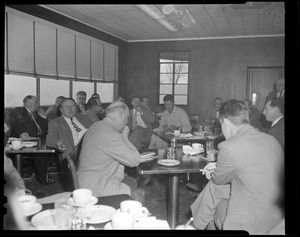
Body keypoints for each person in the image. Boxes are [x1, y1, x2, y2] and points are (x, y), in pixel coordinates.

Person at [191, 99, 284, 234]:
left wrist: (215, 171)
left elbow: (218, 180)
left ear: (226, 123)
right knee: (213, 191)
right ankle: (196, 224)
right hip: (278, 218)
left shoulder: (229, 146)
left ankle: (196, 224)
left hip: (251, 222)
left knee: (212, 193)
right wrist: (219, 166)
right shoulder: (271, 140)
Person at [77, 101, 141, 197]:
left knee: (131, 181)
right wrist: (125, 138)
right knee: (139, 194)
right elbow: (135, 161)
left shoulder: (95, 125)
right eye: (127, 118)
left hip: (84, 179)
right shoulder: (113, 135)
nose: (127, 122)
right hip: (97, 186)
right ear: (121, 115)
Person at [9, 95, 51, 184]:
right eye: (36, 103)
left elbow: (44, 128)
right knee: (41, 155)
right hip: (22, 142)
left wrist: (43, 117)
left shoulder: (36, 114)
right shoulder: (19, 110)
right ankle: (42, 180)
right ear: (29, 103)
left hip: (36, 141)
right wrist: (22, 132)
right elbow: (16, 121)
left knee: (49, 149)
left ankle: (41, 177)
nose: (37, 105)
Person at [46, 98, 93, 164]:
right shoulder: (55, 123)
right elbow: (51, 137)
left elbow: (96, 131)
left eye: (72, 106)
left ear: (76, 107)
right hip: (73, 155)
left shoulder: (85, 118)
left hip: (93, 150)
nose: (70, 109)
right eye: (67, 107)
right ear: (61, 110)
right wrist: (57, 144)